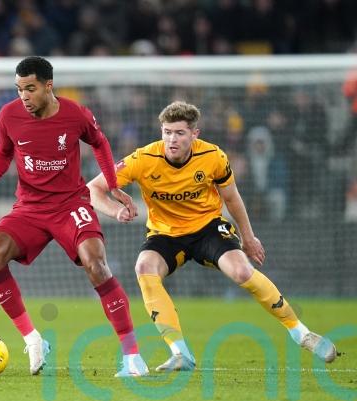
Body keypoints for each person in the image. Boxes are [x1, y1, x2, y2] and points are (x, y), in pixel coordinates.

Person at [87, 101, 338, 371]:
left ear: (194, 134)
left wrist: (249, 238)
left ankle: (301, 333)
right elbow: (92, 189)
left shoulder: (213, 156)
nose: (172, 139)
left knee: (241, 271)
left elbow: (232, 198)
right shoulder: (143, 159)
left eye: (179, 133)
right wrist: (116, 210)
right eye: (167, 132)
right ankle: (180, 353)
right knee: (144, 267)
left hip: (208, 228)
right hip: (166, 235)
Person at [0, 56, 148, 377]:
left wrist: (113, 186)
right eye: (19, 89)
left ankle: (132, 356)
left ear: (48, 86)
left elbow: (100, 143)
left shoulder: (75, 114)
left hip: (70, 204)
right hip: (29, 207)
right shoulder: (8, 115)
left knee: (96, 265)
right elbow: (4, 149)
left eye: (30, 89)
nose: (23, 96)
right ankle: (33, 340)